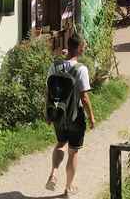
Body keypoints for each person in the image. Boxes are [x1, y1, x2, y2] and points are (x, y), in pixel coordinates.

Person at [45, 34, 96, 196]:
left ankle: (53, 173)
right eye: (84, 46)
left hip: (58, 113)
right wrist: (91, 117)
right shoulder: (81, 69)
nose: (85, 49)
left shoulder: (55, 66)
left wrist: (47, 113)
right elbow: (84, 97)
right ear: (80, 48)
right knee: (73, 151)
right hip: (75, 115)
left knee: (60, 144)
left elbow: (47, 91)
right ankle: (68, 187)